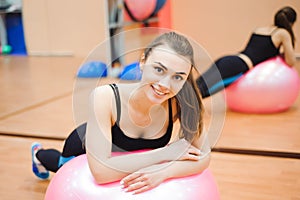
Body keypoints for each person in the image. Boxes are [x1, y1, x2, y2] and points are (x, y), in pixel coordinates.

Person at [31, 31, 211, 194]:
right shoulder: (104, 97)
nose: (165, 84)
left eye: (178, 77)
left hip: (130, 162)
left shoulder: (183, 102)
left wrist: (165, 171)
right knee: (59, 165)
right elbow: (101, 173)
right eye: (158, 69)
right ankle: (38, 154)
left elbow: (204, 156)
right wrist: (165, 154)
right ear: (143, 62)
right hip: (83, 149)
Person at [196, 6, 297, 98]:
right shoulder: (283, 33)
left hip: (229, 60)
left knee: (196, 86)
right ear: (291, 23)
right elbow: (290, 61)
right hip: (238, 66)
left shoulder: (259, 29)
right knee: (202, 92)